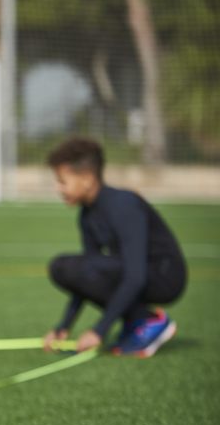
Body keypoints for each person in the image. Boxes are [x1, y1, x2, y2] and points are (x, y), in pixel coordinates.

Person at [42, 137, 186, 358]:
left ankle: (150, 321)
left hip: (165, 276)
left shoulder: (123, 205)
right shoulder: (87, 215)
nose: (58, 188)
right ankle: (138, 323)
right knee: (66, 269)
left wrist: (99, 331)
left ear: (87, 179)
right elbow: (85, 280)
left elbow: (135, 276)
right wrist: (64, 326)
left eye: (62, 181)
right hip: (136, 273)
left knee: (64, 266)